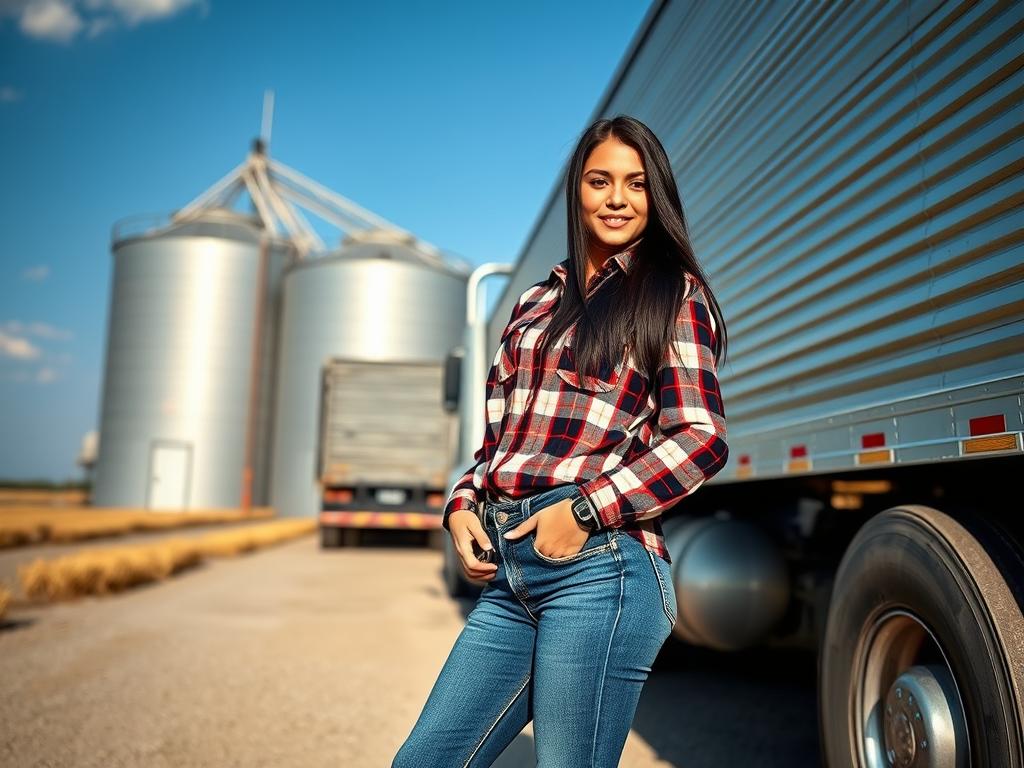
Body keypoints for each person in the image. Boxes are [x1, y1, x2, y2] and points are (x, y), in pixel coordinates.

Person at [393, 114, 729, 768]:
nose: (616, 198)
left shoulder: (671, 294)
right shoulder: (534, 304)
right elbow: (497, 444)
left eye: (635, 184)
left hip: (601, 565)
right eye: (600, 180)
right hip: (513, 572)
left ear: (655, 196)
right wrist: (462, 505)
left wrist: (585, 510)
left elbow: (700, 437)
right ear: (577, 190)